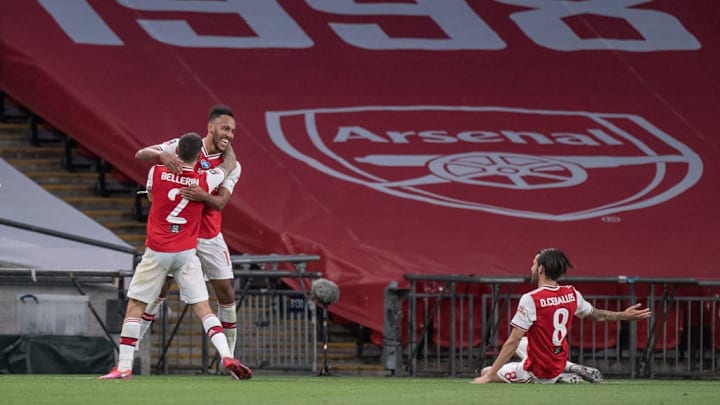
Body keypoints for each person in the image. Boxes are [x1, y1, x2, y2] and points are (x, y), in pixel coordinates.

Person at [99, 132, 250, 380]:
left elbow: (150, 194)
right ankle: (226, 355)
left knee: (136, 305)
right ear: (197, 155)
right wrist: (229, 146)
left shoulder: (156, 172)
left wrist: (162, 156)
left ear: (176, 152)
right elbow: (227, 166)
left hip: (158, 252)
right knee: (204, 309)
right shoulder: (205, 180)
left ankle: (124, 366)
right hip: (186, 253)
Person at [134, 104, 242, 358]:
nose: (229, 134)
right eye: (225, 128)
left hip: (208, 235)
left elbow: (221, 203)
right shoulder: (183, 147)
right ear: (210, 127)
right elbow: (141, 153)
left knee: (226, 291)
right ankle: (134, 345)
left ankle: (229, 355)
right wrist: (161, 156)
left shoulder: (233, 166)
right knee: (160, 290)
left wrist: (202, 195)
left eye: (233, 131)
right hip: (180, 235)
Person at [472, 248, 651, 384]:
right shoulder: (571, 293)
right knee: (525, 342)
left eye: (534, 264)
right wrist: (623, 315)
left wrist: (490, 375)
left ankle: (559, 377)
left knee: (485, 371)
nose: (531, 268)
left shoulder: (531, 299)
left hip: (538, 370)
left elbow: (511, 342)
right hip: (557, 356)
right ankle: (569, 366)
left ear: (541, 269)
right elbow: (597, 315)